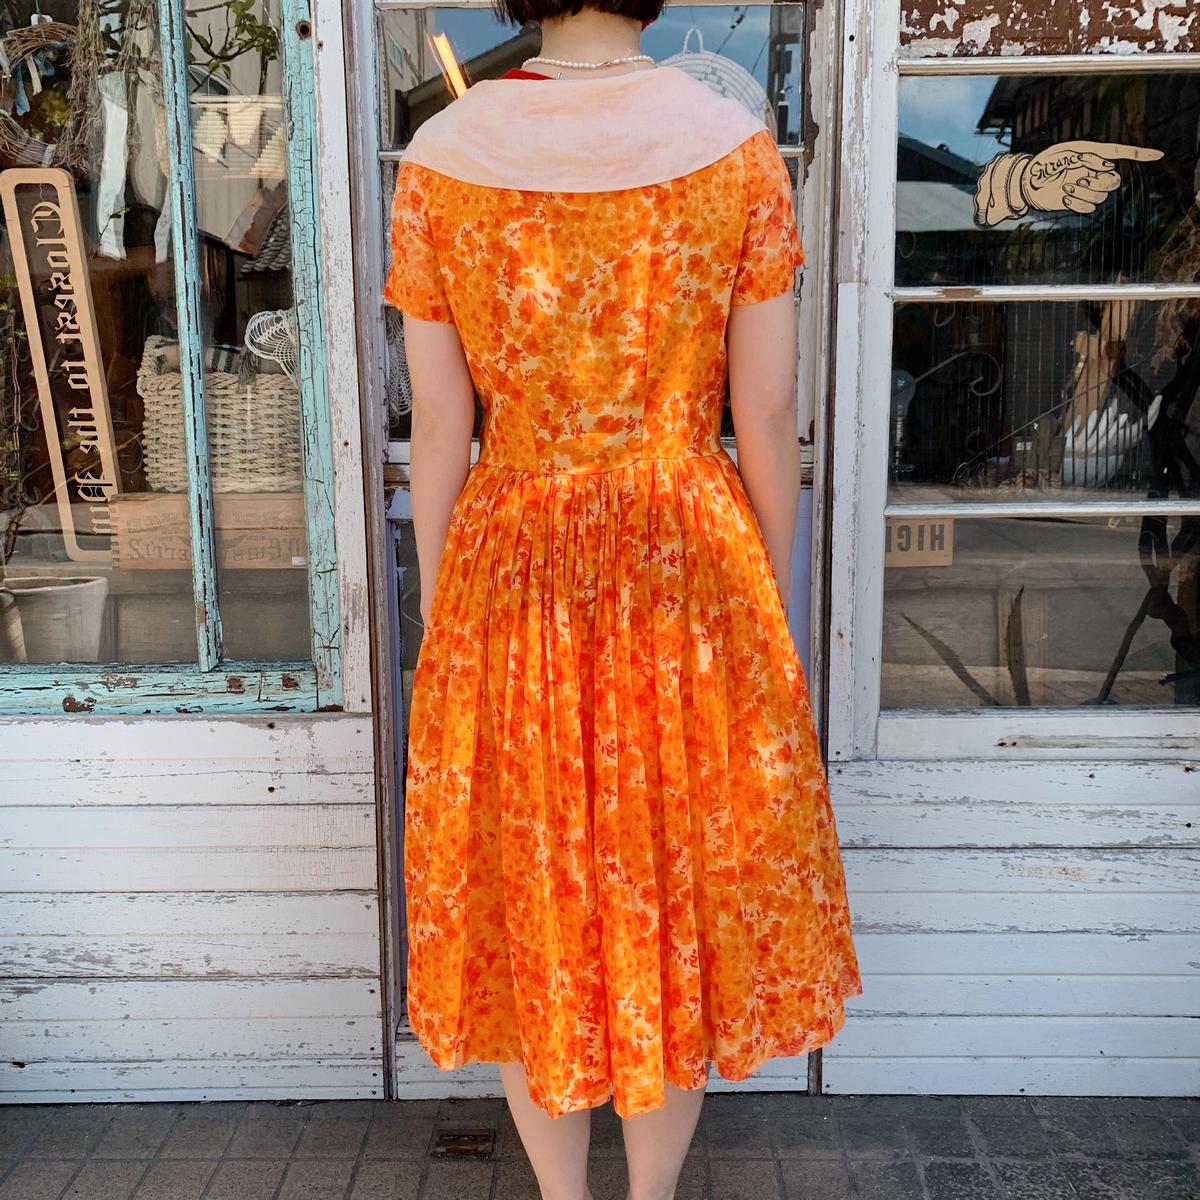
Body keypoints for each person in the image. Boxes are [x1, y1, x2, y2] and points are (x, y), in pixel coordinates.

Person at [384, 1, 863, 1196]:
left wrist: (444, 615)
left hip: (514, 565)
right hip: (685, 567)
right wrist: (765, 600)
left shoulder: (441, 157)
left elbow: (439, 424)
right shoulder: (732, 148)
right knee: (669, 890)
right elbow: (765, 416)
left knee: (532, 888)